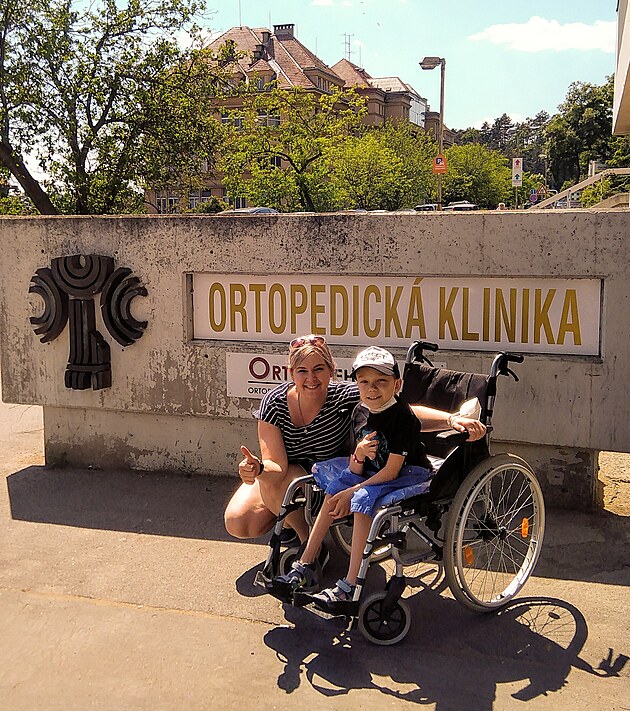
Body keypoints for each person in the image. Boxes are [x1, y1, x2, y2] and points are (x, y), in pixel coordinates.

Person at [224, 336, 486, 543]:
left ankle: (309, 544)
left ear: (331, 371)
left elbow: (403, 413)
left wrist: (451, 420)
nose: (311, 378)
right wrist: (256, 468)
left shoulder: (349, 395)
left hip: (324, 477)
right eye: (302, 371)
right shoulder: (274, 403)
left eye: (319, 369)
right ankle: (295, 523)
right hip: (282, 474)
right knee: (240, 523)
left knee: (286, 484)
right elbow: (276, 466)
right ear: (291, 373)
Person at [270, 346, 438, 604]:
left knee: (360, 500)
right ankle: (304, 565)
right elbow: (357, 468)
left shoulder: (403, 418)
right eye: (364, 382)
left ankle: (350, 585)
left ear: (397, 384)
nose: (372, 389)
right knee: (334, 489)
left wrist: (352, 491)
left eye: (381, 381)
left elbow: (391, 471)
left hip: (408, 473)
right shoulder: (360, 411)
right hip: (373, 471)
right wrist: (358, 456)